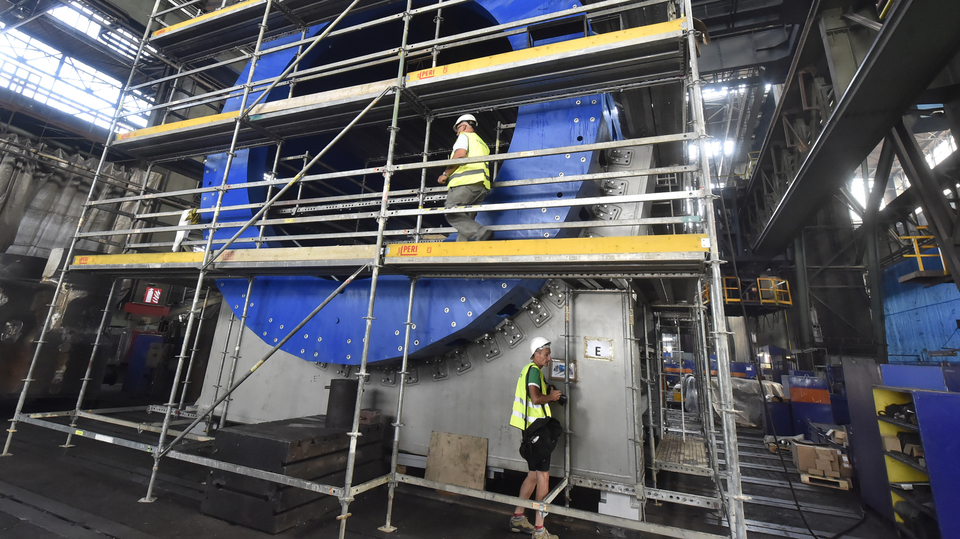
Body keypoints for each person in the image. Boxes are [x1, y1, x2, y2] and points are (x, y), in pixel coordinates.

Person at [509, 336, 563, 539]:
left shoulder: (529, 371)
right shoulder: (533, 371)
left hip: (530, 431)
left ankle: (517, 518)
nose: (549, 359)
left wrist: (548, 393)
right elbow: (535, 398)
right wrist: (552, 397)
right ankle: (539, 530)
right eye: (546, 355)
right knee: (543, 478)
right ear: (536, 354)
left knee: (532, 475)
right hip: (538, 431)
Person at [438, 114, 493, 241]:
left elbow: (460, 155)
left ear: (463, 126)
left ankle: (481, 232)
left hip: (465, 184)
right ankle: (462, 248)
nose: (457, 133)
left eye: (457, 129)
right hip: (481, 187)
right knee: (466, 221)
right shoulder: (482, 144)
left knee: (451, 211)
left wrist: (445, 174)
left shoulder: (464, 136)